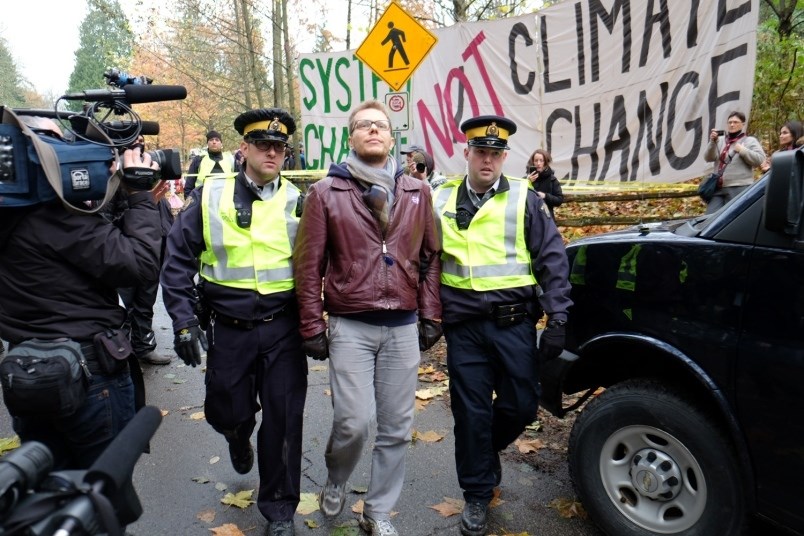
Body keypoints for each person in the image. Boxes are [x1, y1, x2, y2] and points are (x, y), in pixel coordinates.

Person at [292, 99, 442, 536]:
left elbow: (432, 256)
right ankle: (337, 477)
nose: (373, 131)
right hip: (350, 325)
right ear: (351, 137)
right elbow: (308, 265)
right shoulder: (325, 193)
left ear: (392, 137)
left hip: (403, 326)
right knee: (353, 421)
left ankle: (377, 512)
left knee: (396, 427)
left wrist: (431, 312)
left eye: (381, 125)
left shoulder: (417, 191)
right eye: (363, 126)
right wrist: (311, 324)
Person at [161, 108, 307, 536]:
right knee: (226, 410)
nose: (273, 153)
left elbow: (319, 264)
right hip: (228, 328)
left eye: (280, 147)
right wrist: (184, 322)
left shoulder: (299, 201)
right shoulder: (210, 196)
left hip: (283, 328)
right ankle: (236, 435)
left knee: (283, 420)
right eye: (264, 145)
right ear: (243, 148)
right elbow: (176, 261)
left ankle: (279, 510)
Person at [433, 115, 572, 536]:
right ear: (467, 153)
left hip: (514, 325)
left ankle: (485, 449)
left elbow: (552, 259)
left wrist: (559, 316)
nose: (488, 159)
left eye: (495, 153)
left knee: (522, 406)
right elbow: (422, 260)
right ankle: (476, 493)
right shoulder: (439, 198)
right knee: (470, 412)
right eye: (481, 152)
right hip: (464, 328)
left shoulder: (525, 199)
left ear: (504, 157)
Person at [0, 117, 163, 470]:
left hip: (26, 372)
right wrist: (139, 196)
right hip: (89, 375)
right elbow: (140, 265)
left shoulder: (13, 214)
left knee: (48, 487)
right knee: (101, 494)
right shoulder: (57, 219)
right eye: (57, 143)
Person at [116, 135, 174, 366]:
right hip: (128, 251)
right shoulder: (115, 176)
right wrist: (141, 199)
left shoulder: (150, 169)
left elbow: (160, 210)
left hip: (154, 246)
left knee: (146, 302)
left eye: (141, 141)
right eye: (132, 142)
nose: (138, 146)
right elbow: (110, 219)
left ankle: (144, 346)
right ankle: (124, 350)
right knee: (128, 304)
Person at [704, 111, 765, 214]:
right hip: (718, 187)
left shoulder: (749, 141)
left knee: (733, 218)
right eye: (730, 122)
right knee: (709, 217)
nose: (732, 125)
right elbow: (708, 158)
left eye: (736, 122)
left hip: (738, 187)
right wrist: (712, 142)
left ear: (743, 124)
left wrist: (743, 150)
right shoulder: (721, 140)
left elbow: (760, 159)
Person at [525, 148, 563, 218]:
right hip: (529, 216)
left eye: (541, 160)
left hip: (546, 215)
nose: (538, 163)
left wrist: (545, 196)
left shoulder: (552, 179)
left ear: (545, 162)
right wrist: (527, 182)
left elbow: (559, 200)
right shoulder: (526, 179)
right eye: (536, 160)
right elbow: (518, 195)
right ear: (532, 162)